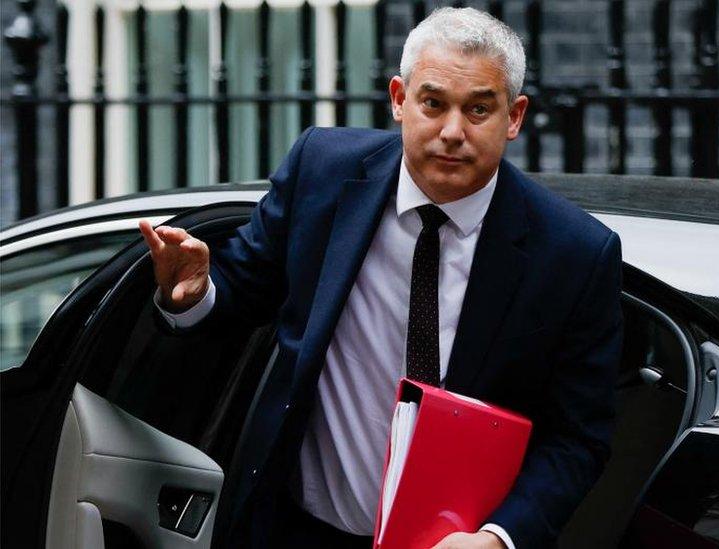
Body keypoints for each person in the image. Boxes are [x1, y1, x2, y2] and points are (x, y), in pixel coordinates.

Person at [139, 7, 622, 549]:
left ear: (514, 116)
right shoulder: (322, 173)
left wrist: (499, 537)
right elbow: (244, 290)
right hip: (299, 529)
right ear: (399, 99)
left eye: (479, 109)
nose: (452, 132)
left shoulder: (573, 254)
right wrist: (196, 293)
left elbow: (577, 439)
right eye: (433, 103)